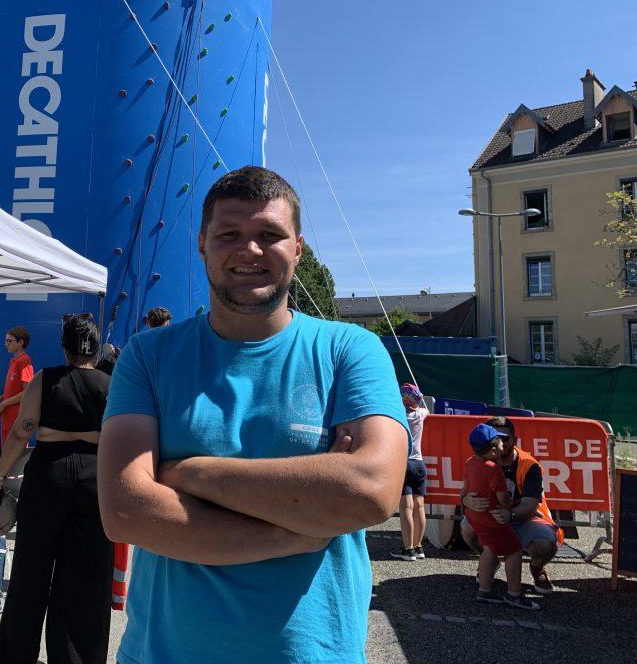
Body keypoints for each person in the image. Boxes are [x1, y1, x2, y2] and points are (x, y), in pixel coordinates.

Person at [98, 166, 410, 664]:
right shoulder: (148, 356)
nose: (250, 250)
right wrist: (294, 531)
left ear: (298, 248)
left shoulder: (350, 350)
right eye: (230, 234)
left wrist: (190, 473)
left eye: (270, 234)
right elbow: (125, 511)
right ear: (201, 244)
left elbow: (371, 491)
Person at [0, 314, 114, 664]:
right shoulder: (110, 383)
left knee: (31, 567)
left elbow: (21, 431)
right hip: (93, 475)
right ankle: (77, 657)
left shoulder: (46, 379)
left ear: (64, 346)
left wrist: (1, 474)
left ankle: (15, 654)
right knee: (85, 574)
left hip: (49, 472)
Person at [460, 415, 562, 595]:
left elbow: (530, 505)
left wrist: (510, 515)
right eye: (496, 439)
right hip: (494, 518)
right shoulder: (479, 462)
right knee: (466, 527)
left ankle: (537, 567)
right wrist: (465, 500)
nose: (500, 443)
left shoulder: (529, 465)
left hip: (526, 518)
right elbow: (464, 491)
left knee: (545, 543)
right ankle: (493, 569)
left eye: (505, 438)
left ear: (514, 439)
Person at [462, 423, 538, 610]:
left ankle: (484, 590)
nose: (504, 444)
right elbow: (502, 497)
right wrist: (509, 505)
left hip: (477, 516)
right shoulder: (493, 469)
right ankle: (514, 595)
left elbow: (467, 488)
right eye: (500, 441)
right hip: (493, 517)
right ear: (494, 450)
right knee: (514, 551)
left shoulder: (470, 462)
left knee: (489, 549)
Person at [391, 383, 430, 560]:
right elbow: (426, 409)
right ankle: (419, 546)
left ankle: (408, 549)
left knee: (406, 506)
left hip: (404, 463)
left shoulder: (397, 415)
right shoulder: (421, 414)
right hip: (420, 463)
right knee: (419, 506)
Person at [0, 325, 34, 447]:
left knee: (14, 453)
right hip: (7, 416)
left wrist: (4, 403)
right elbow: (16, 389)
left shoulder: (24, 360)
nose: (6, 344)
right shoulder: (13, 360)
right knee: (6, 450)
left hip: (17, 416)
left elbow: (27, 391)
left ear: (20, 342)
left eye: (9, 341)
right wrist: (1, 398)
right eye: (6, 341)